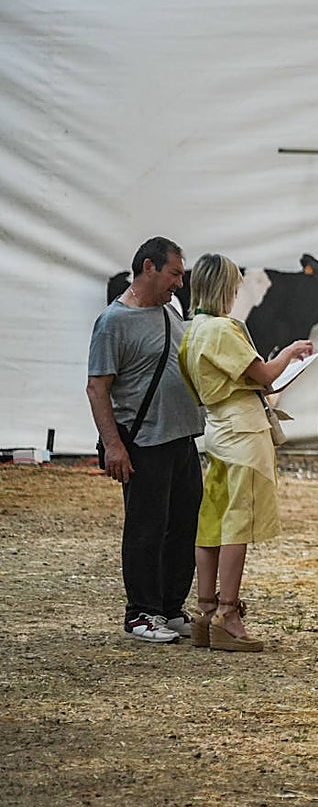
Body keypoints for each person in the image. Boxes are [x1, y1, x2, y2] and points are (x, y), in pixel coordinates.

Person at [179, 253, 314, 652]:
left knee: (212, 519)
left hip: (218, 429)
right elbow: (267, 378)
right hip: (244, 433)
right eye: (235, 286)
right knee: (237, 522)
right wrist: (290, 352)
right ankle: (228, 614)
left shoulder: (192, 330)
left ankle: (204, 612)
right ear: (226, 288)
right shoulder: (225, 329)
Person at [86, 236, 205, 643]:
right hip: (145, 443)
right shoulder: (113, 321)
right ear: (149, 267)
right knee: (146, 529)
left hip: (182, 438)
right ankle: (141, 613)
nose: (179, 284)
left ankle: (170, 608)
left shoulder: (171, 311)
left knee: (184, 525)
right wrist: (114, 446)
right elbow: (97, 388)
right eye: (174, 274)